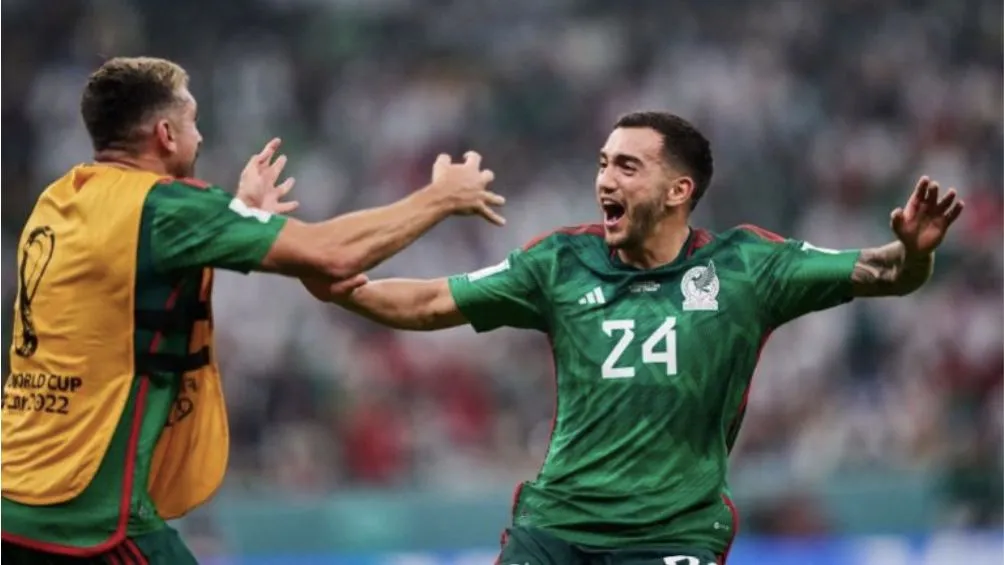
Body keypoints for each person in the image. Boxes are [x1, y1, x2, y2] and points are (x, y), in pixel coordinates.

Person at [309, 111, 965, 565]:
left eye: (626, 166)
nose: (605, 180)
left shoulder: (747, 266)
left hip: (673, 528)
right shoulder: (559, 262)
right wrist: (342, 285)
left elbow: (884, 272)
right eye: (602, 164)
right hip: (558, 524)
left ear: (679, 189)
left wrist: (913, 253)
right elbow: (428, 302)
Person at [1, 56, 504, 564]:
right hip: (85, 513)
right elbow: (333, 254)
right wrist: (440, 197)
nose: (201, 138)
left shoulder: (61, 200)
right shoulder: (164, 208)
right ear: (166, 134)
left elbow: (136, 282)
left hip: (16, 489)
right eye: (193, 122)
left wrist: (238, 221)